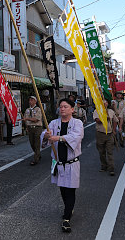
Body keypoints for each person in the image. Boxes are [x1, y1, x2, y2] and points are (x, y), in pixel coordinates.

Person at [41, 98, 83, 233]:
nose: (62, 109)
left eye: (65, 106)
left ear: (72, 109)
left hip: (72, 163)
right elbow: (46, 136)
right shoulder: (54, 123)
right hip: (58, 163)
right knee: (63, 189)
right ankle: (68, 208)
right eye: (61, 107)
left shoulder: (77, 123)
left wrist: (58, 138)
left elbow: (76, 137)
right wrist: (46, 135)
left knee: (70, 190)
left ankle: (66, 218)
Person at [94, 99, 118, 176]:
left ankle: (111, 168)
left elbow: (115, 120)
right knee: (101, 152)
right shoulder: (97, 111)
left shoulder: (111, 111)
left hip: (109, 134)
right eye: (103, 102)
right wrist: (104, 118)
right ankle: (104, 165)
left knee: (110, 152)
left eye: (106, 102)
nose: (105, 104)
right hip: (100, 134)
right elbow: (97, 120)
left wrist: (114, 130)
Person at [22, 96, 43, 165]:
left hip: (37, 127)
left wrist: (27, 119)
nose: (30, 101)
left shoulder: (38, 109)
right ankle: (38, 154)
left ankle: (35, 159)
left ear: (35, 101)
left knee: (37, 143)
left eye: (32, 100)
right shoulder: (27, 110)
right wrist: (26, 127)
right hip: (30, 128)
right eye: (30, 100)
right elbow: (25, 119)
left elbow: (36, 119)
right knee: (32, 143)